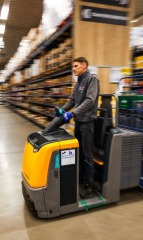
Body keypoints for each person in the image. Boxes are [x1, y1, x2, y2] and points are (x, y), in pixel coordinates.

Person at [53, 56, 99, 199]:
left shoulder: (92, 79)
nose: (73, 69)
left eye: (76, 66)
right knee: (78, 152)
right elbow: (72, 100)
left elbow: (90, 100)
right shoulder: (78, 82)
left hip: (87, 123)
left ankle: (89, 185)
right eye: (73, 66)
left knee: (87, 155)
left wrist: (72, 114)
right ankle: (80, 178)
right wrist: (61, 111)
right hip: (79, 122)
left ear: (84, 66)